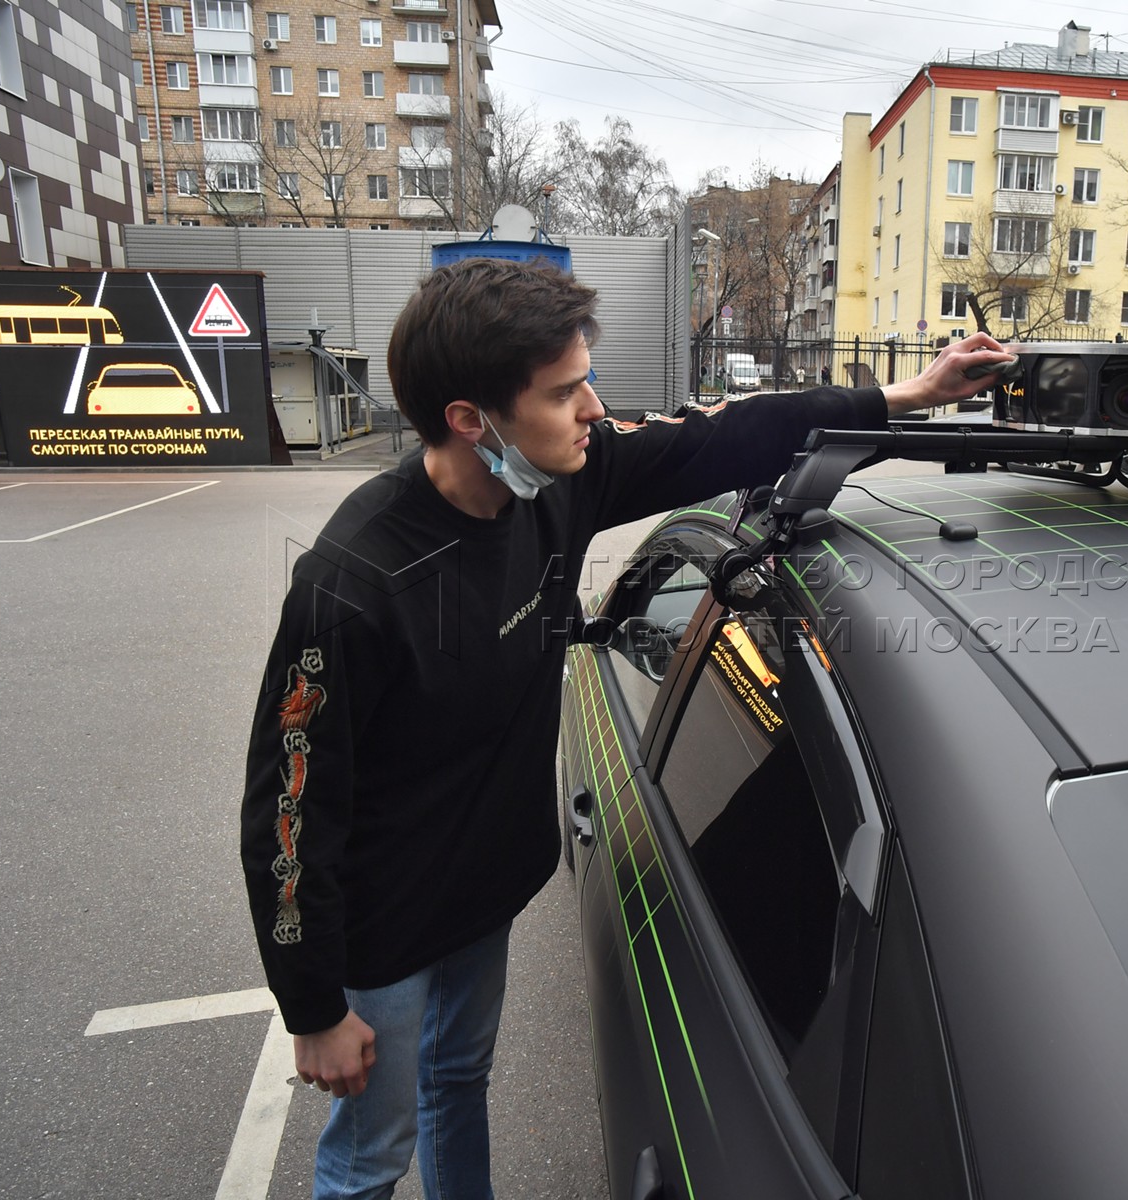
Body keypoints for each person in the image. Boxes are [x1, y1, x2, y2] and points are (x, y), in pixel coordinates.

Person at [240, 257, 1008, 1200]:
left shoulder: (559, 483)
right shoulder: (354, 584)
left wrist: (905, 395)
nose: (595, 410)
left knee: (456, 1084)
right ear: (471, 420)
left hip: (483, 895)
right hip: (382, 927)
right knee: (370, 1153)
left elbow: (725, 436)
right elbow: (286, 813)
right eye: (565, 393)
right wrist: (314, 1006)